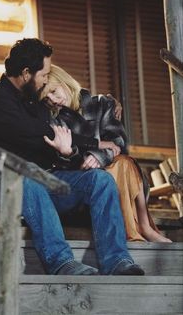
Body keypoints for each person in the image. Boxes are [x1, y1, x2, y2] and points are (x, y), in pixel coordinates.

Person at [0, 38, 145, 276]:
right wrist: (95, 143)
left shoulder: (37, 100)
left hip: (43, 180)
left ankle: (116, 260)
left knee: (100, 180)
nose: (46, 78)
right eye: (43, 74)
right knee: (27, 178)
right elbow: (35, 133)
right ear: (26, 73)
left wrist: (107, 102)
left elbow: (68, 126)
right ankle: (61, 262)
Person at [40, 64, 171, 243]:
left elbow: (119, 142)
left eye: (54, 91)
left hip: (119, 170)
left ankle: (143, 226)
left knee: (123, 162)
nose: (53, 100)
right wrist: (72, 153)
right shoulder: (54, 121)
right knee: (116, 168)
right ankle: (138, 228)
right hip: (86, 184)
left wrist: (99, 157)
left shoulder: (101, 104)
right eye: (46, 98)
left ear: (64, 81)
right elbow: (66, 162)